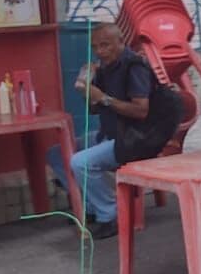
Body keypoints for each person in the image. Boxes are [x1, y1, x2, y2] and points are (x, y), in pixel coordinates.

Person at [48, 21, 151, 240]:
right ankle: (90, 207)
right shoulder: (105, 68)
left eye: (105, 45)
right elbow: (95, 109)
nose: (100, 51)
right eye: (95, 47)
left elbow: (141, 111)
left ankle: (110, 214)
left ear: (120, 42)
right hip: (109, 134)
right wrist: (87, 90)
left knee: (80, 162)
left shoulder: (135, 67)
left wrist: (103, 97)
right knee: (57, 154)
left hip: (133, 139)